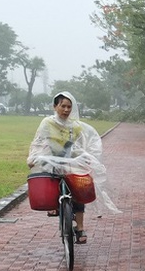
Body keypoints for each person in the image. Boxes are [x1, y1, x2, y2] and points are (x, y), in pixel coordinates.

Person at [27, 91, 105, 244]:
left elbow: (80, 145)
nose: (66, 110)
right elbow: (38, 141)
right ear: (55, 106)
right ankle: (53, 204)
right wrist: (34, 156)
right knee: (49, 177)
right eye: (63, 106)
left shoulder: (75, 126)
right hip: (50, 158)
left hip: (69, 159)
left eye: (69, 107)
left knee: (78, 188)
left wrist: (85, 157)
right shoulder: (47, 123)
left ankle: (80, 227)